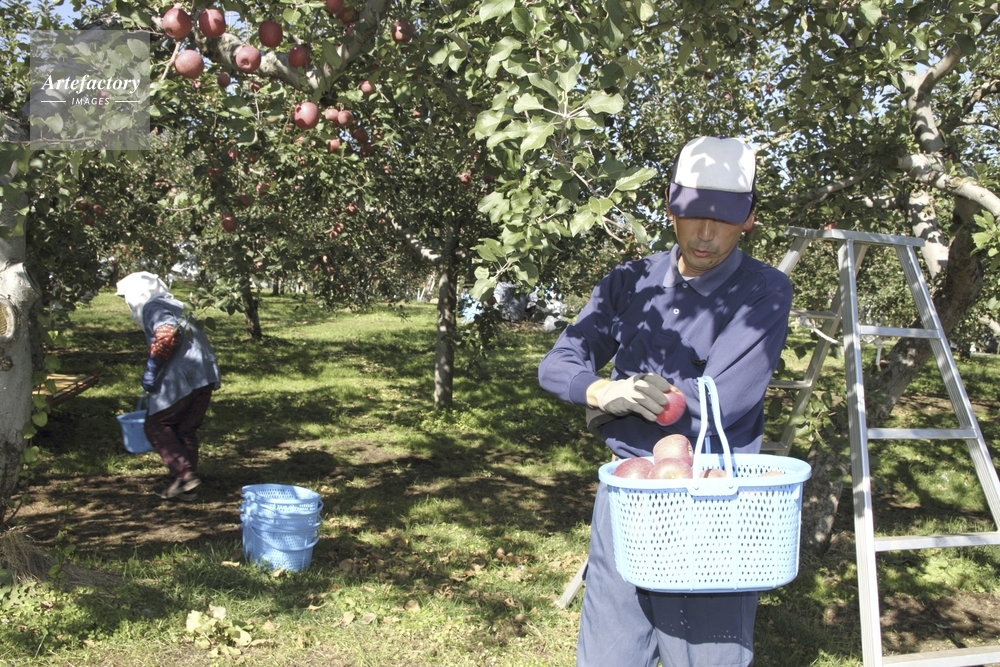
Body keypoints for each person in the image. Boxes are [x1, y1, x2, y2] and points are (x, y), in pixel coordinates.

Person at [538, 136, 793, 667]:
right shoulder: (631, 282)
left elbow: (720, 401)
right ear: (670, 207)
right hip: (628, 495)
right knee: (609, 653)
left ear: (749, 219)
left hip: (711, 501)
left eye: (724, 219)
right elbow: (557, 364)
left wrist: (631, 397)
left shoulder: (763, 291)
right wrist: (601, 390)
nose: (706, 234)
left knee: (705, 657)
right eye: (693, 214)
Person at [116, 272, 221, 501]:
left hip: (182, 377)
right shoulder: (177, 305)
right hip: (204, 374)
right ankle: (188, 485)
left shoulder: (152, 307)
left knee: (157, 425)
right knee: (185, 429)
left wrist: (153, 368)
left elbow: (166, 334)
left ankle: (183, 475)